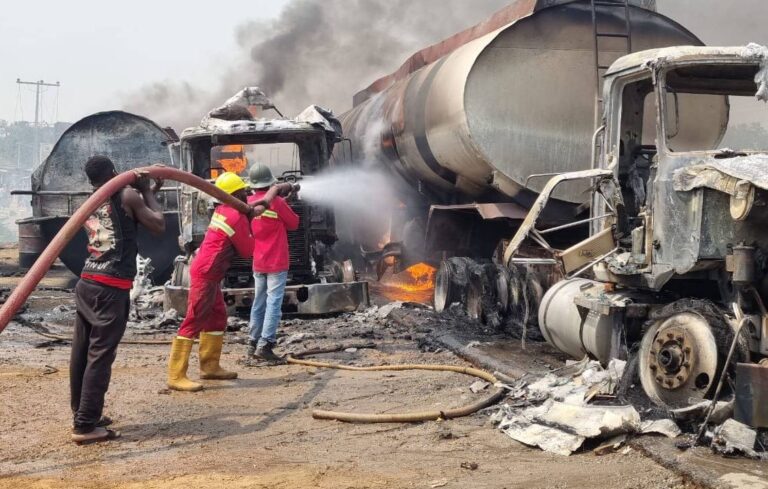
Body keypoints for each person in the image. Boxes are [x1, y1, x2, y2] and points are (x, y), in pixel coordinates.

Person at [71, 156, 166, 443]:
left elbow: (122, 218)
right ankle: (86, 426)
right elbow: (158, 224)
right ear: (114, 172)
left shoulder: (93, 198)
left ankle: (83, 412)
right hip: (110, 288)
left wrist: (148, 192)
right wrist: (146, 191)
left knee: (82, 352)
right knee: (100, 355)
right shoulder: (128, 194)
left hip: (87, 281)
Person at [167, 172, 260, 391]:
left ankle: (210, 367)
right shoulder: (236, 216)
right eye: (243, 191)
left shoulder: (223, 209)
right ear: (235, 194)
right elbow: (248, 251)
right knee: (194, 320)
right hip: (207, 273)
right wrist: (251, 219)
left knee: (217, 317)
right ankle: (176, 375)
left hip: (210, 272)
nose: (247, 194)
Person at [247, 164, 299, 362]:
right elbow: (294, 223)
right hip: (277, 261)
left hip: (258, 261)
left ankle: (252, 343)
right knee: (274, 303)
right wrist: (286, 204)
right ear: (270, 183)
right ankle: (266, 344)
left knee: (258, 302)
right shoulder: (276, 202)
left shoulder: (249, 202)